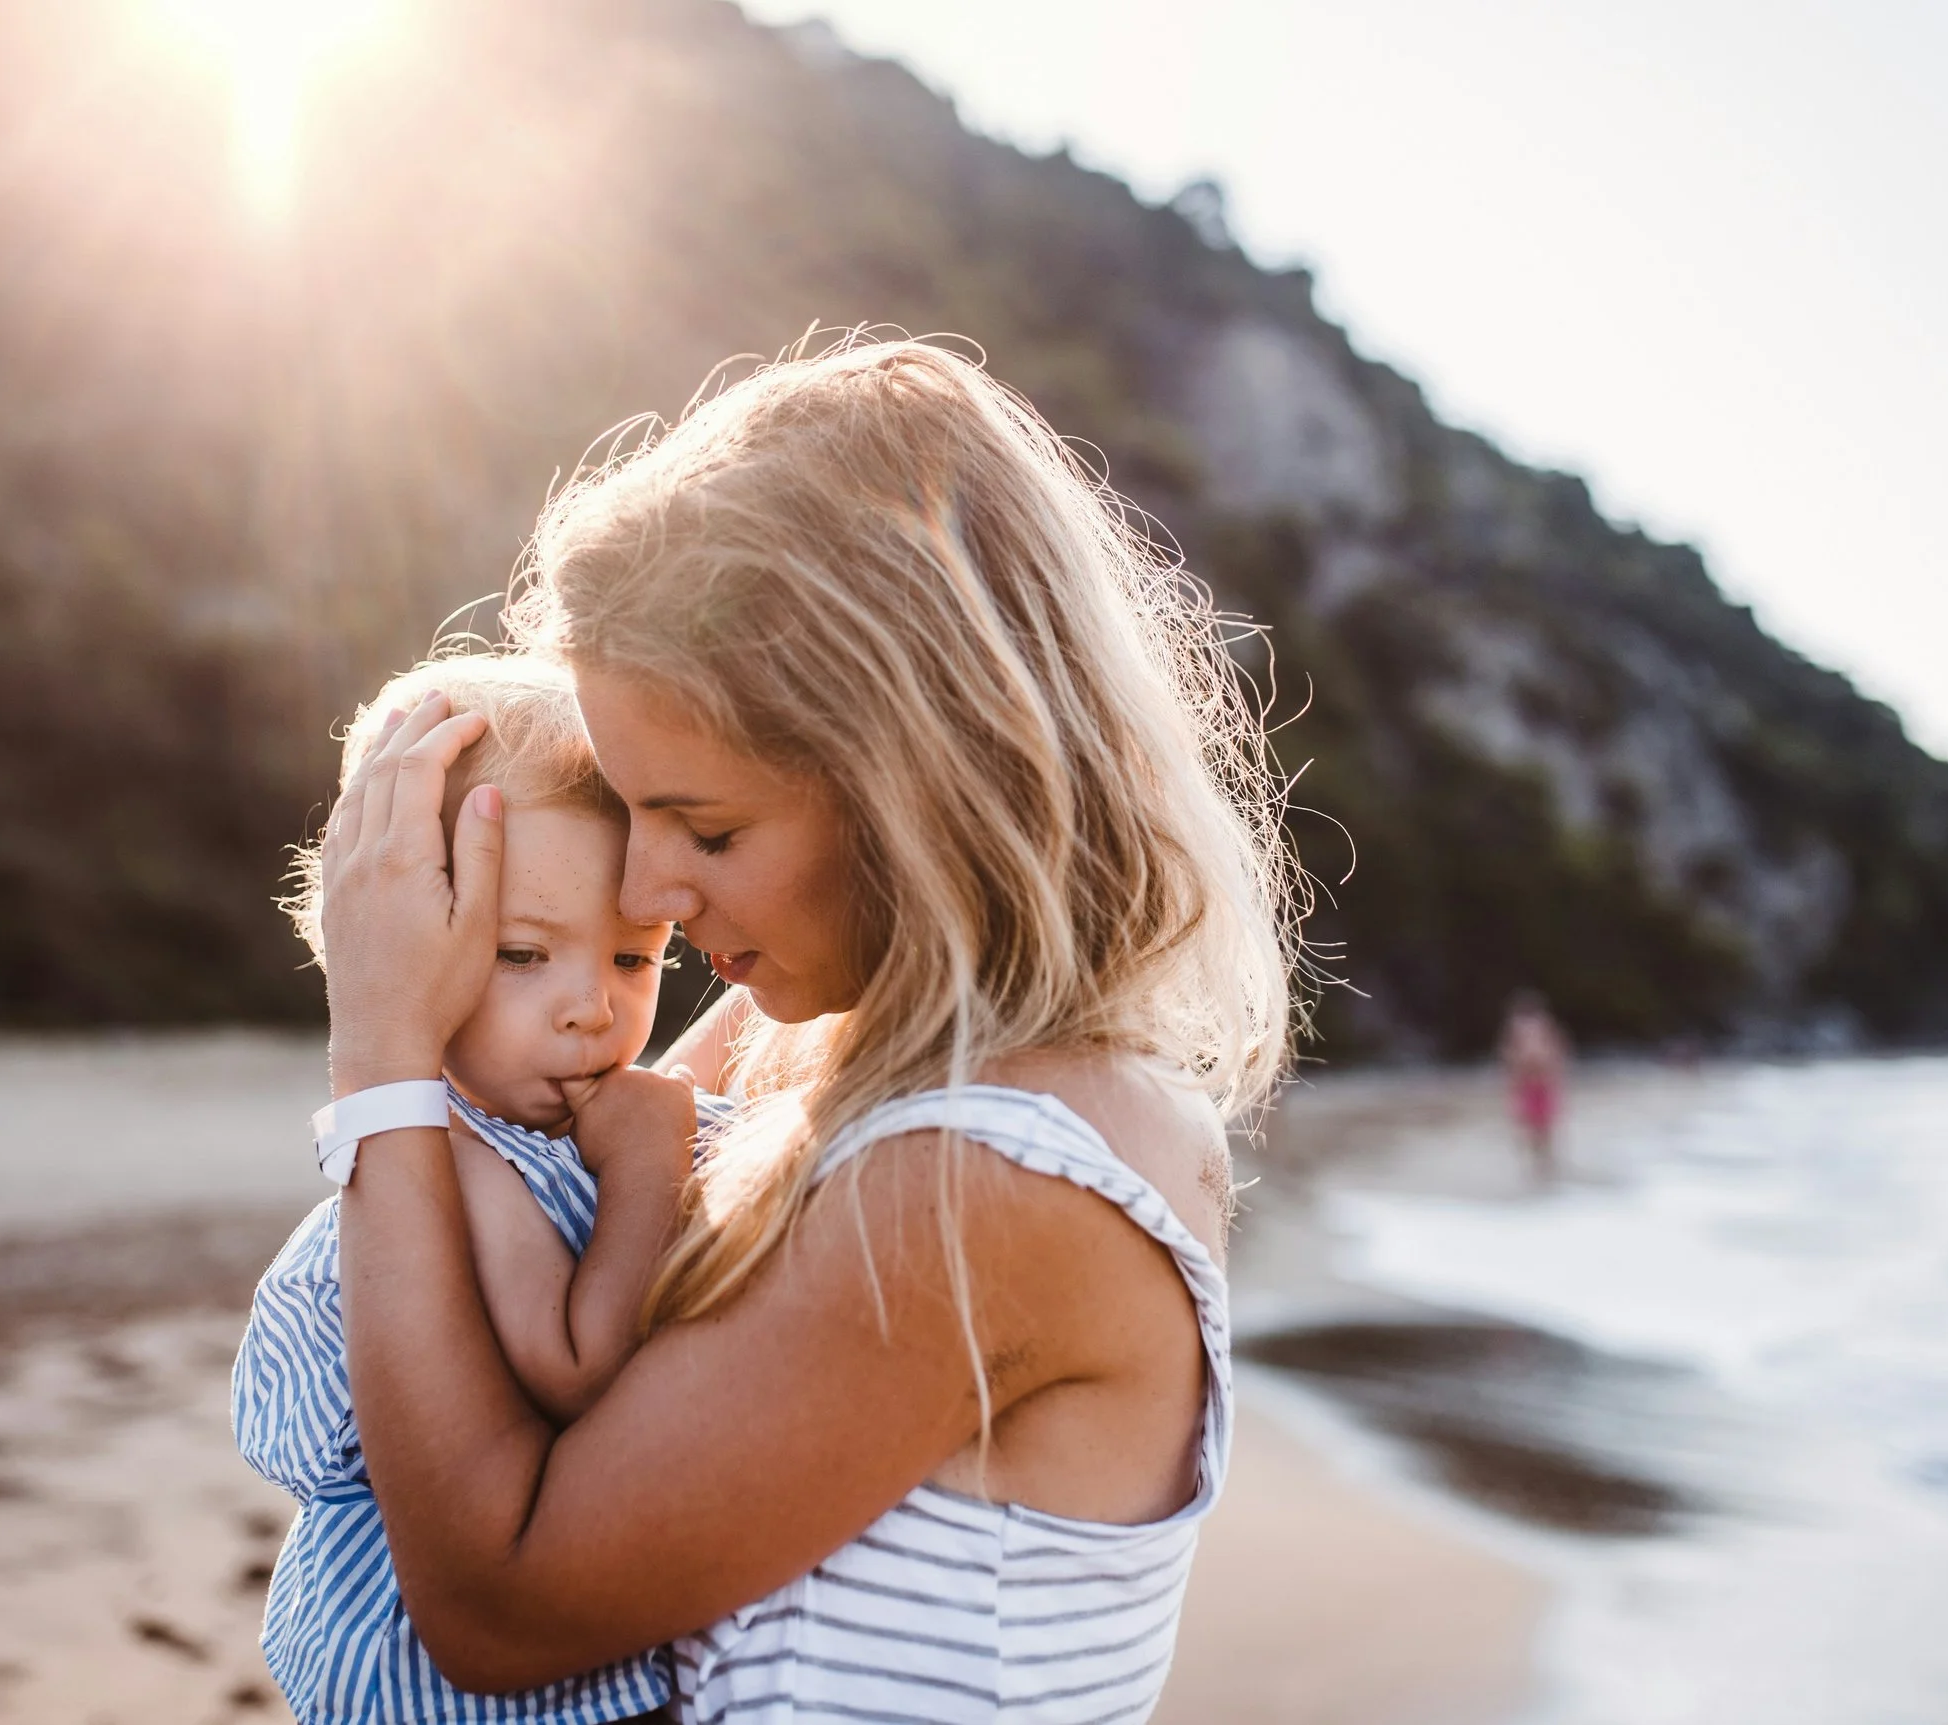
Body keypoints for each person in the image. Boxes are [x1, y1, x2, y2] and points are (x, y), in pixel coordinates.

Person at [312, 337, 1297, 1722]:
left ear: (916, 781)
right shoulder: (819, 1063)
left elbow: (502, 1597)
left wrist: (379, 1060)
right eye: (633, 811)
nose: (649, 889)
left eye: (706, 826)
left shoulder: (1001, 1168)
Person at [235, 656, 728, 1724]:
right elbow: (579, 1368)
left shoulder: (559, 1121)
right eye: (520, 954)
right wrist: (649, 1165)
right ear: (394, 952)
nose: (589, 1010)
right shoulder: (458, 1158)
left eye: (634, 960)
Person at [1498, 989, 1570, 1181]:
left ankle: (1544, 1163)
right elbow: (1510, 1054)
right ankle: (1539, 1164)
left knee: (1543, 1126)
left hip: (1541, 1082)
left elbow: (1556, 1050)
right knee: (1533, 1126)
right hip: (1529, 1082)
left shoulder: (1543, 1025)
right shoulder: (1518, 1028)